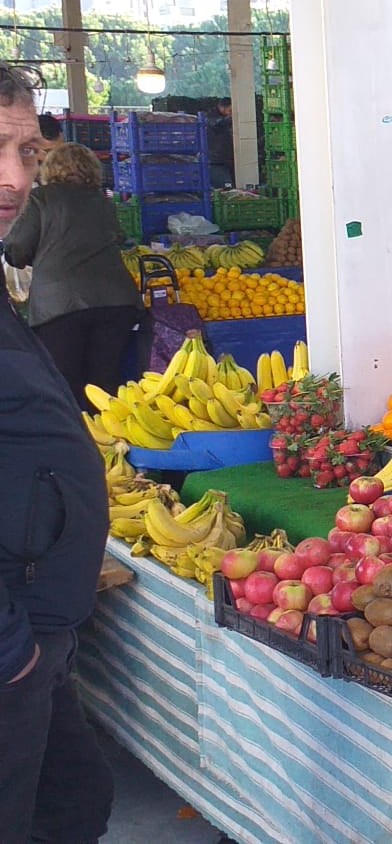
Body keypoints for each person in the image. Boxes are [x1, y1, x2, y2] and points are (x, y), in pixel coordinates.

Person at [0, 59, 117, 844]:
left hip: (38, 618)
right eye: (1, 150)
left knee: (73, 800)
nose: (16, 177)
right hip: (14, 645)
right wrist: (14, 657)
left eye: (27, 152)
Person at [4, 142, 142, 407]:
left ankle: (75, 442)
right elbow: (118, 236)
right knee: (105, 385)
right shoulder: (102, 201)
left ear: (51, 168)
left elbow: (18, 249)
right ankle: (108, 440)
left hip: (60, 306)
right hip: (116, 302)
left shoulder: (40, 199)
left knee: (65, 384)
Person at [209, 97, 235, 187]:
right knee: (226, 187)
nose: (231, 113)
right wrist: (231, 118)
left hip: (225, 160)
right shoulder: (211, 117)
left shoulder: (223, 120)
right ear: (222, 107)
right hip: (216, 161)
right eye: (230, 110)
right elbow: (216, 124)